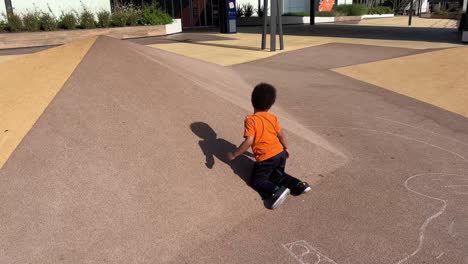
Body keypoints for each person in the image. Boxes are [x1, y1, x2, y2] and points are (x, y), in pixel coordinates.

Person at [227, 83, 311, 209]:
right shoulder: (272, 117)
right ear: (271, 104)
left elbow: (249, 141)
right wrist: (286, 148)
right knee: (278, 175)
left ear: (252, 101)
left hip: (266, 159)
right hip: (280, 153)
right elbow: (281, 135)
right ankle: (299, 185)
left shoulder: (251, 120)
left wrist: (234, 154)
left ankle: (275, 191)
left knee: (257, 181)